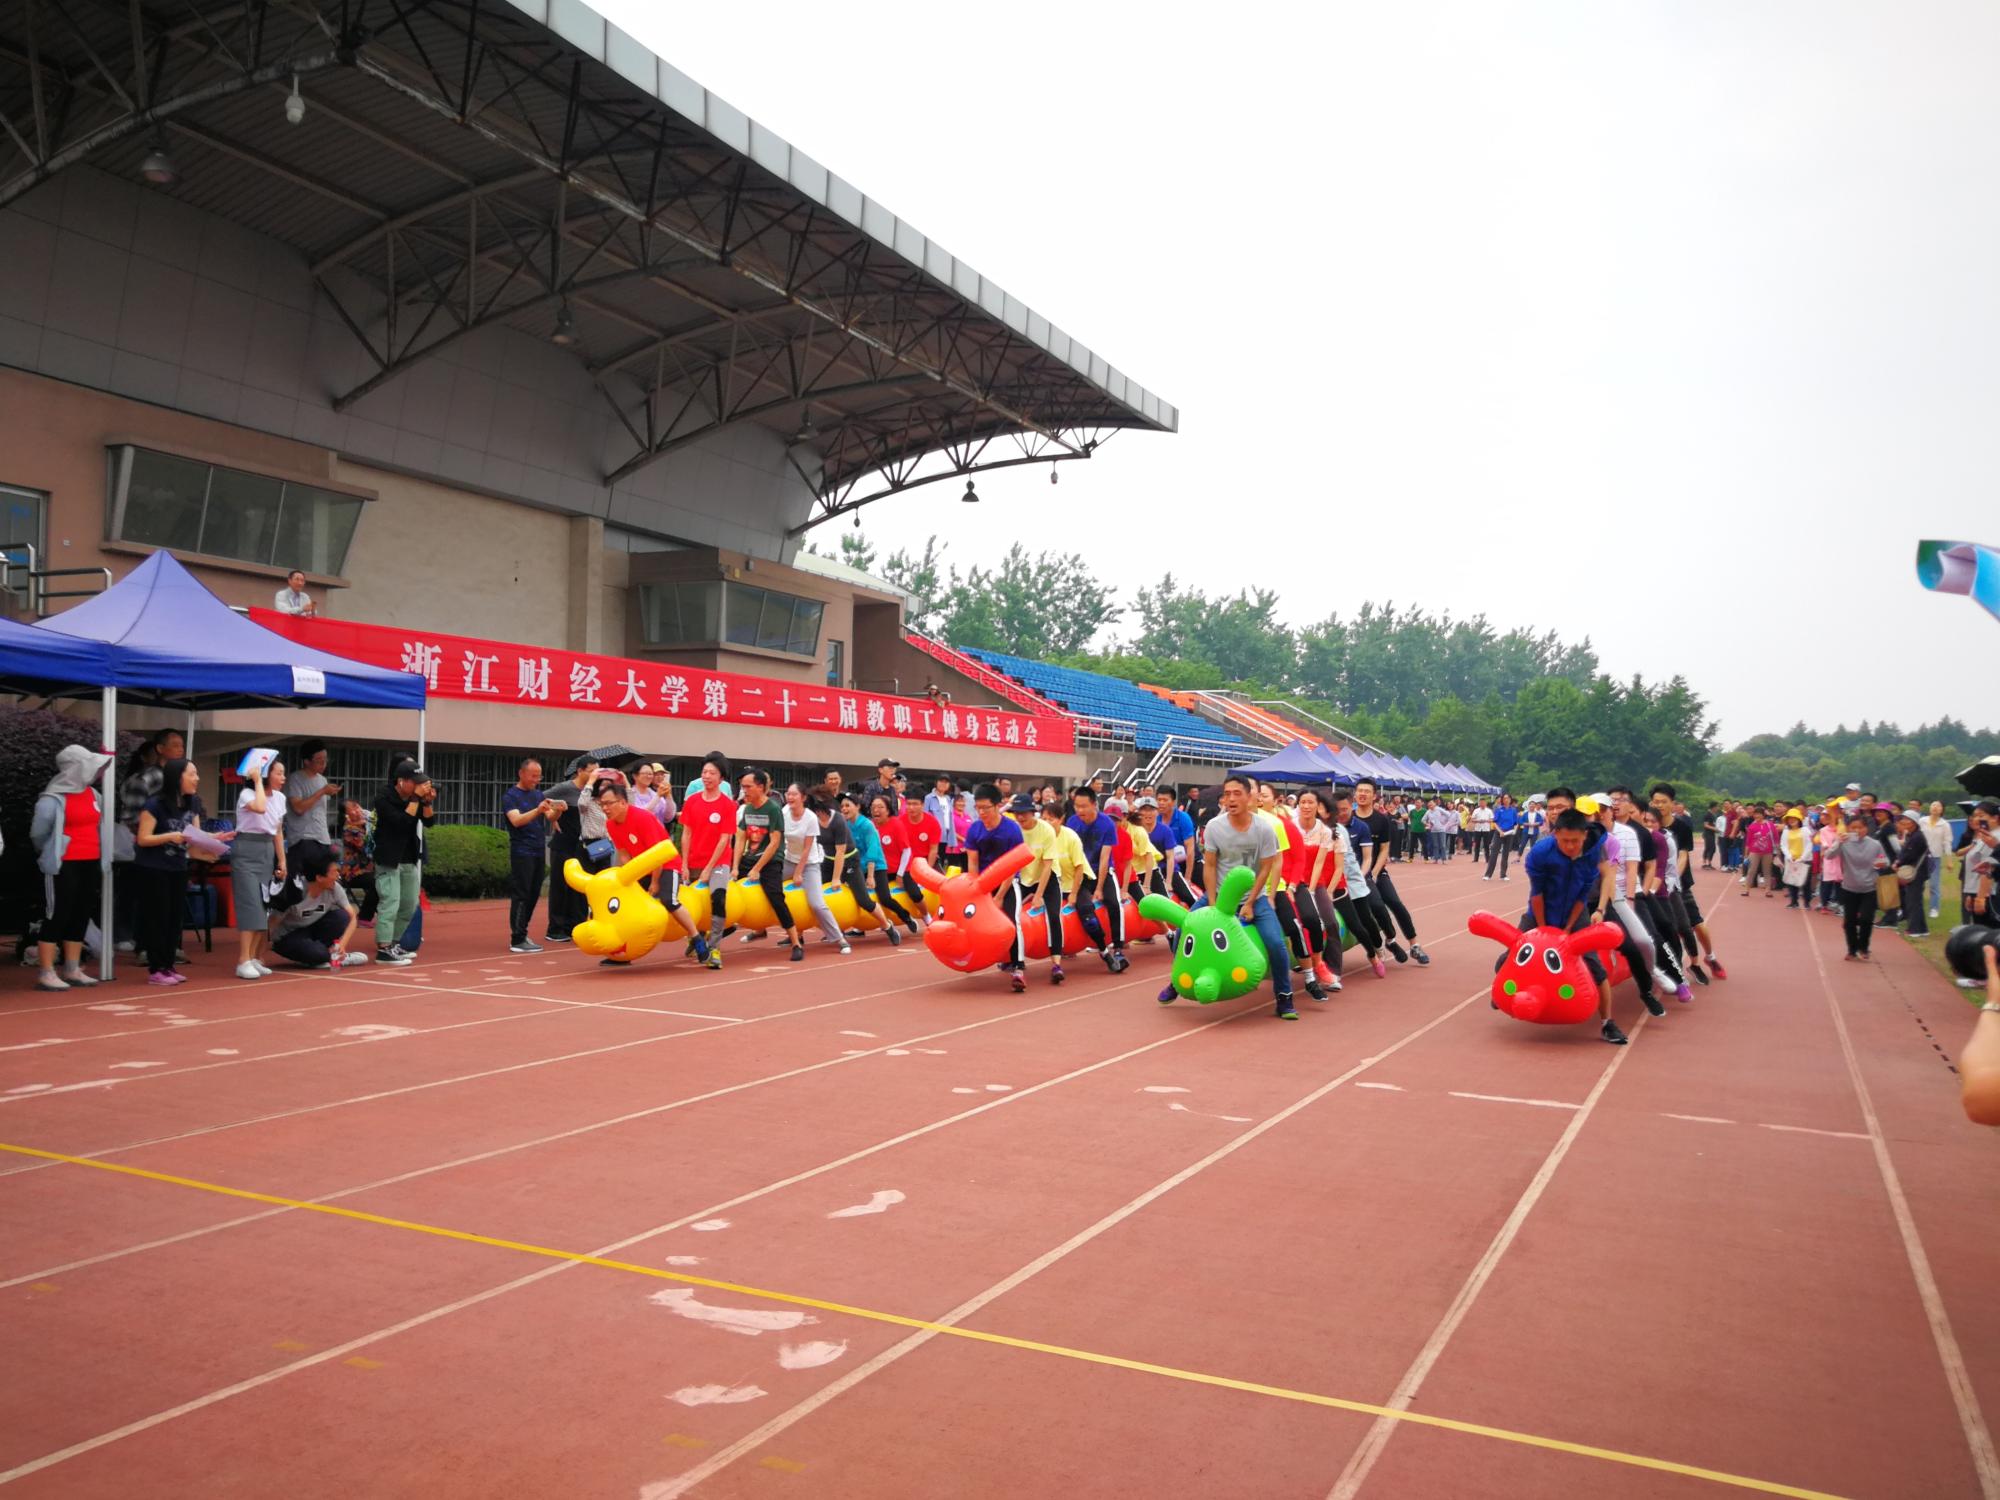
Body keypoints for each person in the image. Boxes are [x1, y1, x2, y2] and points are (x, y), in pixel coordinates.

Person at [1191, 774, 1295, 1019]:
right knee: (1184, 931)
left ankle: (1284, 996)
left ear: (1250, 797)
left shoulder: (1265, 829)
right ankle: (1178, 983)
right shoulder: (1215, 826)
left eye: (1237, 793)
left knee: (1276, 943)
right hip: (1219, 895)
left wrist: (1250, 903)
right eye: (1227, 794)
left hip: (1254, 897)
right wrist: (1213, 905)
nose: (1231, 799)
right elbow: (1209, 866)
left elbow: (1266, 868)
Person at [1523, 806, 1626, 1044]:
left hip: (1575, 912)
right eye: (1565, 841)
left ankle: (1607, 1023)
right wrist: (1543, 931)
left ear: (1585, 835)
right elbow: (1537, 893)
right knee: (1511, 956)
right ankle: (1504, 995)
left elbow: (1583, 894)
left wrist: (1569, 928)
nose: (1570, 846)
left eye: (1576, 841)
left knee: (1595, 966)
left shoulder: (1592, 851)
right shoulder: (1540, 853)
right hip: (1541, 910)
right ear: (1555, 834)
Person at [30, 744, 113, 990]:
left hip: (91, 860)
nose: (96, 772)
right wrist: (51, 852)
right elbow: (38, 833)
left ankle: (72, 968)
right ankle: (46, 972)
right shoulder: (52, 798)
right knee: (57, 913)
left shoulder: (94, 795)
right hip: (63, 863)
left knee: (81, 912)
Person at [596, 778, 707, 963]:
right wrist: (629, 878)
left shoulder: (643, 818)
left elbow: (658, 854)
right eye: (602, 805)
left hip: (666, 864)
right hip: (642, 868)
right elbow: (624, 854)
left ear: (622, 802)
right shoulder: (611, 824)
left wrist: (655, 882)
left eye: (609, 803)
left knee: (669, 900)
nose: (605, 808)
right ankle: (622, 953)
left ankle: (696, 938)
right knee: (625, 903)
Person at [133, 757, 215, 985]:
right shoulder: (154, 805)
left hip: (178, 866)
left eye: (197, 774)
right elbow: (143, 838)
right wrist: (170, 836)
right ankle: (156, 968)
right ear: (177, 777)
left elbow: (196, 836)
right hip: (153, 868)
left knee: (174, 919)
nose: (197, 778)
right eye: (192, 774)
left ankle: (168, 965)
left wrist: (215, 839)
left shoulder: (193, 802)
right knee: (158, 917)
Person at [1353, 778, 1428, 963]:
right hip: (1356, 874)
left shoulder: (1381, 819)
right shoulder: (1349, 819)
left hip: (1377, 871)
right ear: (1355, 794)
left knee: (1395, 903)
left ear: (1374, 796)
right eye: (1360, 791)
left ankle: (1414, 945)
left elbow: (1384, 848)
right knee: (1377, 906)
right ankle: (1390, 940)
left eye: (1367, 791)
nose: (1362, 794)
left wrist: (1375, 873)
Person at [732, 769, 803, 956]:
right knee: (727, 889)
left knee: (776, 897)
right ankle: (725, 929)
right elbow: (740, 839)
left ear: (761, 787)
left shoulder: (773, 809)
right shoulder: (747, 809)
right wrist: (735, 867)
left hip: (771, 860)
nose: (744, 790)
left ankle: (796, 943)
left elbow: (774, 842)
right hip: (750, 858)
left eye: (748, 787)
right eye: (742, 787)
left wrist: (757, 869)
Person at [370, 761, 433, 965]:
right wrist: (415, 799)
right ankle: (383, 949)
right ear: (401, 781)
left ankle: (394, 944)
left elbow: (430, 822)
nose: (418, 786)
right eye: (415, 782)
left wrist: (427, 802)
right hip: (388, 858)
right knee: (390, 902)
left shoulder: (415, 798)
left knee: (409, 903)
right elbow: (401, 822)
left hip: (408, 857)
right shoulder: (384, 797)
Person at [232, 758, 288, 980]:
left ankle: (253, 957)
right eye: (278, 773)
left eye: (283, 773)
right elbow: (261, 807)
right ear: (266, 774)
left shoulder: (281, 798)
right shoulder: (247, 794)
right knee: (251, 905)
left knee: (264, 906)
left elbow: (278, 830)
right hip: (247, 849)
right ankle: (243, 960)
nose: (283, 778)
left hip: (266, 850)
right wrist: (257, 780)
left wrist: (282, 860)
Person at [268, 844, 369, 968]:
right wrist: (259, 952)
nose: (338, 876)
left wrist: (342, 944)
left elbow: (352, 917)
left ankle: (328, 955)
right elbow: (273, 921)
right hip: (288, 936)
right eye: (334, 872)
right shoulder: (295, 891)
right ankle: (329, 957)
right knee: (316, 953)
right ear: (319, 877)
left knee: (342, 917)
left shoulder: (335, 888)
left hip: (311, 928)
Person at [1065, 787, 1129, 973]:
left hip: (1102, 871)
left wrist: (1099, 888)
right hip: (1081, 874)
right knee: (1085, 909)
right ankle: (1102, 950)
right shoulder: (1072, 823)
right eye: (1076, 806)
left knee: (1114, 903)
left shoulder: (1106, 824)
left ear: (1094, 805)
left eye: (1084, 806)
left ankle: (1118, 948)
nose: (1079, 810)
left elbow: (1104, 858)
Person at [781, 783, 848, 956]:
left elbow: (807, 848)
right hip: (788, 860)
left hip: (809, 864)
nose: (790, 797)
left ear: (803, 798)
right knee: (768, 887)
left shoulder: (810, 818)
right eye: (788, 794)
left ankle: (839, 938)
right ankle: (761, 930)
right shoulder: (784, 812)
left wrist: (798, 873)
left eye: (794, 794)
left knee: (817, 904)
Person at [503, 758, 559, 953]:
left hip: (538, 850)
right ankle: (517, 938)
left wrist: (558, 811)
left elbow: (550, 816)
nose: (536, 780)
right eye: (533, 776)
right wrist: (538, 810)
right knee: (522, 893)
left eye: (539, 776)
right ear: (521, 773)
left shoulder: (538, 794)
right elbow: (517, 820)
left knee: (534, 893)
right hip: (521, 851)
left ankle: (522, 932)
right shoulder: (511, 796)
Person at [543, 754, 598, 944]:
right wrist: (553, 817)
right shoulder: (565, 788)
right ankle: (555, 928)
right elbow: (542, 800)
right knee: (560, 886)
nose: (595, 774)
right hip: (563, 844)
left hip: (584, 846)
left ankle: (576, 926)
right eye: (591, 771)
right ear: (580, 771)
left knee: (580, 888)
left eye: (597, 771)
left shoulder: (595, 790)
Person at [880, 791, 945, 924]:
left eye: (915, 804)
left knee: (944, 887)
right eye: (908, 804)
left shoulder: (932, 822)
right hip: (905, 863)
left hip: (926, 861)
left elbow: (933, 850)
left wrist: (927, 871)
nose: (911, 808)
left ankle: (937, 915)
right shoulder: (899, 822)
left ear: (923, 805)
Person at [1835, 812, 1890, 960]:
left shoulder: (1875, 844)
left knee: (1866, 919)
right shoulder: (1844, 843)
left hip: (1869, 888)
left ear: (1866, 828)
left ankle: (1863, 948)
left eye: (1860, 827)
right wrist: (1838, 842)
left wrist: (1880, 863)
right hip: (1849, 888)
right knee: (1849, 921)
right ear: (1848, 828)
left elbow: (1885, 861)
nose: (1857, 831)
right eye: (1853, 827)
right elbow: (1828, 855)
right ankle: (1852, 950)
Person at [283, 740, 339, 865]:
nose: (323, 764)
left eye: (325, 759)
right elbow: (298, 809)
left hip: (323, 838)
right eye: (319, 760)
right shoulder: (295, 779)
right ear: (307, 761)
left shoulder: (323, 780)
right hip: (303, 838)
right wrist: (322, 791)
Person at [337, 797, 376, 926]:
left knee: (385, 878)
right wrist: (366, 823)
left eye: (356, 806)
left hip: (369, 870)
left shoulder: (368, 823)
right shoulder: (349, 830)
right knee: (378, 882)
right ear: (346, 815)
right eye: (351, 810)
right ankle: (364, 917)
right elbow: (367, 847)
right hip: (353, 873)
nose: (357, 810)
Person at [1891, 810, 1931, 937]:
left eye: (1906, 819)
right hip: (1917, 871)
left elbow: (1909, 855)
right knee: (1915, 900)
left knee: (1913, 901)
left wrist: (1898, 863)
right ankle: (1922, 928)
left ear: (1914, 822)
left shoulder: (1917, 837)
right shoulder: (1912, 835)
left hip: (1917, 872)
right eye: (1902, 819)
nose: (1903, 821)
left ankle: (1915, 929)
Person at [1919, 801, 1952, 921]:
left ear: (1942, 810)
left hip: (1935, 857)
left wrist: (1949, 860)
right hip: (1920, 856)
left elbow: (1947, 842)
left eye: (1938, 806)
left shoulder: (1945, 824)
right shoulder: (1922, 821)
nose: (1935, 807)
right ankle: (1917, 906)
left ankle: (1934, 908)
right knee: (1918, 883)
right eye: (1933, 805)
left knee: (1934, 884)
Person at [1778, 807, 1815, 910]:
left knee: (1805, 881)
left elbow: (1809, 845)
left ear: (1799, 819)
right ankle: (1794, 901)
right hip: (1791, 860)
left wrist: (1802, 857)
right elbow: (1783, 845)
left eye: (1794, 818)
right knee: (1792, 881)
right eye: (1789, 818)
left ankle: (1807, 902)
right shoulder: (1786, 832)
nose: (1792, 820)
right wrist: (1789, 856)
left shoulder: (1805, 830)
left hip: (1805, 860)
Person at [1486, 794, 1519, 880]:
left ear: (1510, 799)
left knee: (1505, 854)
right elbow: (1495, 822)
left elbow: (1516, 823)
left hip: (1509, 833)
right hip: (1499, 833)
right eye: (1504, 798)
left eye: (1508, 798)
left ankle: (1503, 875)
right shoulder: (1499, 809)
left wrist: (1515, 830)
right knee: (1494, 853)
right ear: (1502, 800)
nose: (1506, 800)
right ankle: (1488, 874)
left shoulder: (1513, 810)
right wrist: (1500, 831)